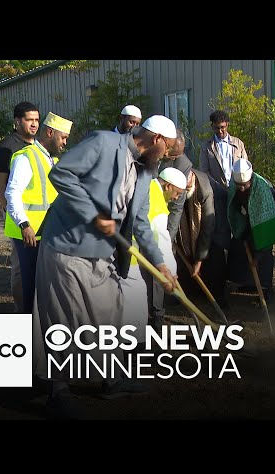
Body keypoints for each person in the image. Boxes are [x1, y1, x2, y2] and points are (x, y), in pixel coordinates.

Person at [32, 115, 178, 417]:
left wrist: (160, 264)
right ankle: (57, 391)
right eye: (168, 149)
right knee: (63, 317)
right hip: (66, 246)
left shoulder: (146, 172)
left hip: (103, 252)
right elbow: (61, 174)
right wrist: (93, 214)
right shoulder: (103, 142)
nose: (166, 156)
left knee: (112, 311)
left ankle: (112, 380)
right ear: (157, 140)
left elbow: (139, 223)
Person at [4, 112, 72, 314]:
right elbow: (12, 192)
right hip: (29, 235)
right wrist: (24, 225)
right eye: (63, 137)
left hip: (44, 234)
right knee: (29, 284)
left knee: (40, 283)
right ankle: (27, 331)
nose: (65, 143)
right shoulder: (26, 157)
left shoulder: (51, 159)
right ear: (50, 132)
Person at [0, 101, 39, 313]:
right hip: (19, 218)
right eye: (29, 120)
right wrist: (7, 210)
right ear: (17, 121)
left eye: (37, 120)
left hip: (38, 219)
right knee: (20, 268)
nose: (34, 124)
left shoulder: (37, 146)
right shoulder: (6, 146)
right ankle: (22, 312)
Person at [126, 167, 186, 334]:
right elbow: (162, 240)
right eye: (177, 193)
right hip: (129, 255)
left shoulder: (149, 185)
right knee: (136, 302)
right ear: (168, 186)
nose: (177, 198)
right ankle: (136, 348)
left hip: (126, 251)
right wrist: (170, 271)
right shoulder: (157, 202)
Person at [227, 159, 275, 303]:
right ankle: (250, 284)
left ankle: (266, 290)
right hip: (250, 213)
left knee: (263, 251)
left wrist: (257, 257)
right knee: (242, 245)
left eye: (244, 185)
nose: (241, 188)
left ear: (250, 180)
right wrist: (241, 229)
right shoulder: (234, 184)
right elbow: (233, 208)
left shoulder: (261, 190)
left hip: (273, 213)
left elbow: (264, 232)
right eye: (238, 185)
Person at [174, 168, 228, 305]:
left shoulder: (205, 190)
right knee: (185, 252)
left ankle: (217, 296)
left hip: (217, 219)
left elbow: (208, 227)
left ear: (191, 178)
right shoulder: (178, 184)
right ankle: (192, 291)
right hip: (190, 222)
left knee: (214, 254)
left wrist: (199, 259)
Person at [157, 129, 192, 241]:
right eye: (172, 153)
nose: (173, 157)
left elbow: (176, 207)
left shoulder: (183, 164)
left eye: (178, 155)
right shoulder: (149, 150)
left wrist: (168, 240)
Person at [199, 110, 248, 188]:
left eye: (222, 127)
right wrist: (216, 186)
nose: (220, 131)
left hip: (237, 188)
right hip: (216, 190)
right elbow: (204, 171)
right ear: (212, 126)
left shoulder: (238, 144)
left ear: (227, 125)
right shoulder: (206, 147)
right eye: (217, 128)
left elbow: (245, 167)